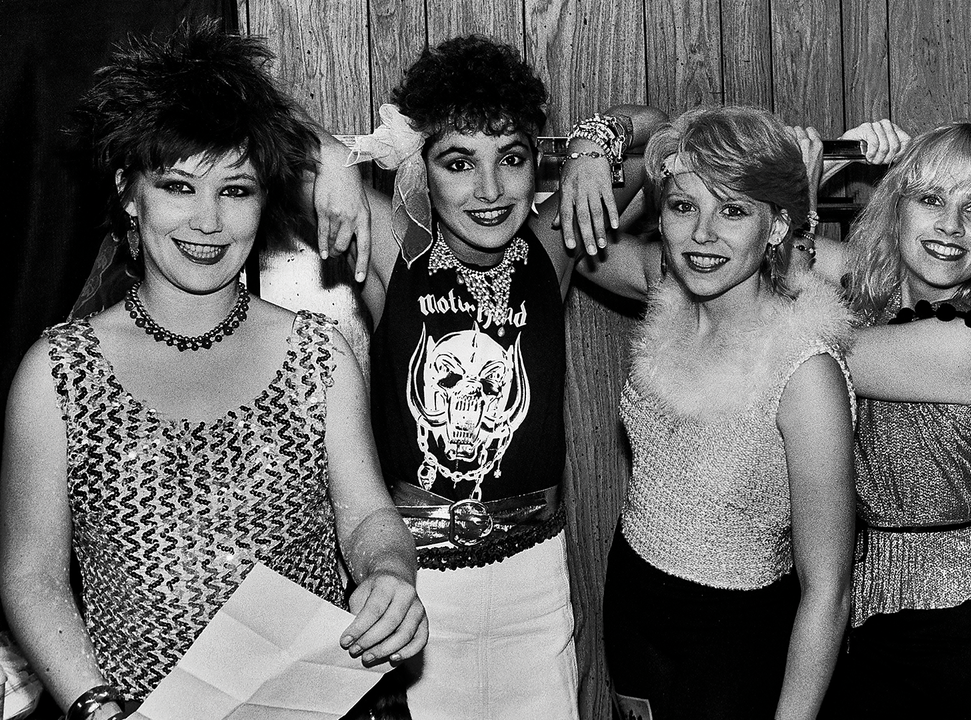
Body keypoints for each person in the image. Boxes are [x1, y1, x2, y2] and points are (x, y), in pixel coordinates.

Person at [0, 22, 427, 720]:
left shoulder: (317, 355)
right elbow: (32, 578)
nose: (208, 222)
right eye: (178, 186)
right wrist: (97, 708)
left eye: (235, 190)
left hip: (310, 706)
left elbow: (368, 517)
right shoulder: (57, 374)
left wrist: (389, 572)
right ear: (128, 191)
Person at [308, 35, 666, 719]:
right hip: (416, 585)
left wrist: (595, 143)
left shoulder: (552, 244)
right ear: (421, 167)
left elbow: (661, 130)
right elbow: (255, 124)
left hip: (536, 585)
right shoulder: (394, 248)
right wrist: (328, 155)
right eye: (458, 162)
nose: (491, 189)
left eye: (512, 158)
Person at [564, 105, 856, 720]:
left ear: (777, 225)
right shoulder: (666, 294)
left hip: (734, 644)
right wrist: (591, 150)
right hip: (634, 609)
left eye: (733, 211)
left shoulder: (805, 371)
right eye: (683, 206)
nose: (702, 235)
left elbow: (827, 594)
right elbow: (579, 231)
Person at [792, 123, 971, 718]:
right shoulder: (876, 299)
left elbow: (795, 342)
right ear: (897, 207)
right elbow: (735, 255)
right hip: (866, 614)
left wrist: (803, 212)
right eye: (931, 199)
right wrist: (825, 162)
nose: (950, 225)